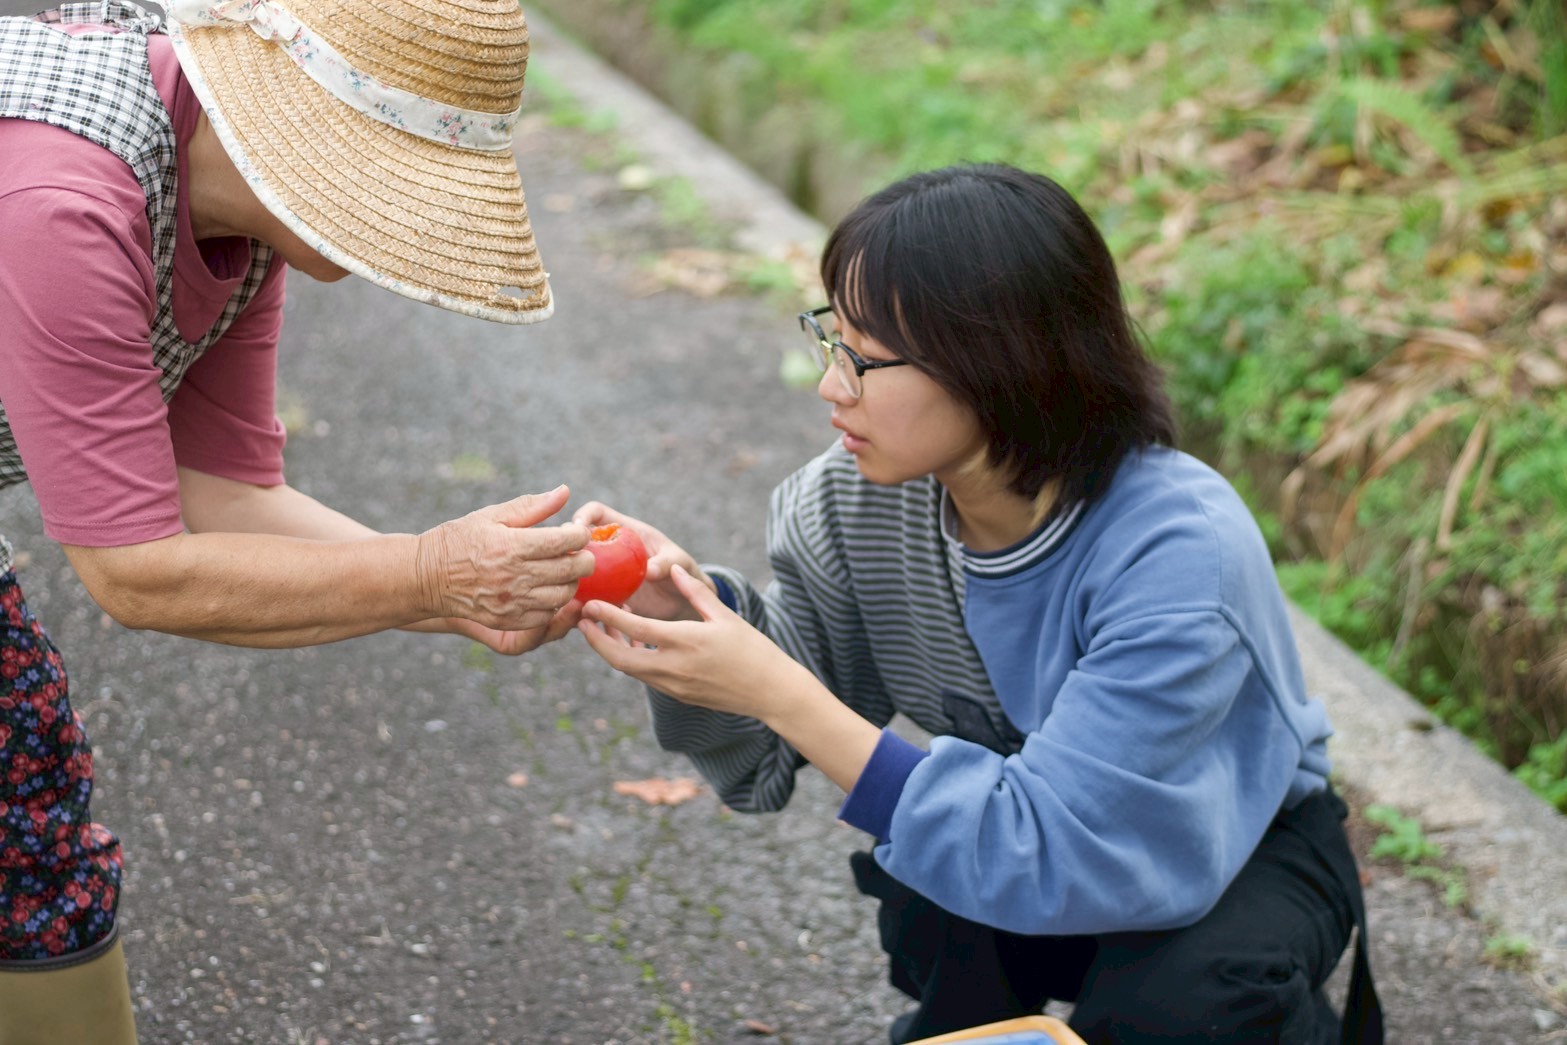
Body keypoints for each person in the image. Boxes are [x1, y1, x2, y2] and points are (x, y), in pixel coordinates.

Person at [575, 164, 1385, 1044]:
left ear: (1001, 361)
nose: (830, 386)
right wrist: (679, 612)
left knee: (1181, 1008)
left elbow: (1050, 843)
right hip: (1026, 835)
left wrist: (775, 686)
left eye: (864, 357)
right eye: (828, 338)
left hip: (1233, 840)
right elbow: (761, 762)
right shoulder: (852, 503)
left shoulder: (1176, 551)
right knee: (935, 915)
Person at [0, 1, 593, 1040]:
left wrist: (475, 587)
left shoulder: (233, 203)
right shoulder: (61, 196)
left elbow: (214, 486)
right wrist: (431, 577)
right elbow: (137, 570)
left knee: (25, 817)